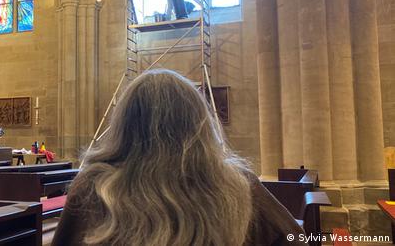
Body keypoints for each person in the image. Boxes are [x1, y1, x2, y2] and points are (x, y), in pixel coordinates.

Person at [52, 69, 304, 246]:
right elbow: (294, 239)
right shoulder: (238, 184)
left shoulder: (93, 187)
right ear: (199, 122)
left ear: (124, 125)